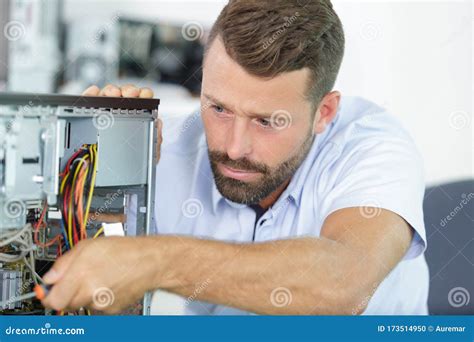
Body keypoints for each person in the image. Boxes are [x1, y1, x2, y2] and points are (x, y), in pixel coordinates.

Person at [42, 0, 429, 315]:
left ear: (324, 113)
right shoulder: (171, 149)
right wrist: (114, 172)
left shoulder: (373, 147)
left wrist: (157, 261)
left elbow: (343, 283)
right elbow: (92, 234)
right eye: (220, 108)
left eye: (266, 121)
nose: (233, 147)